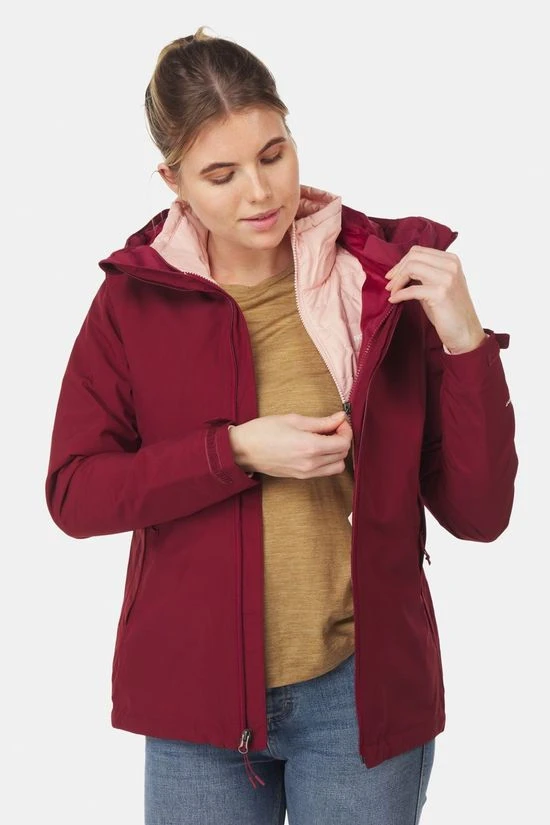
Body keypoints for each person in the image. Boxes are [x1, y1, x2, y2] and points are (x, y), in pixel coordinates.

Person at [44, 27, 518, 825]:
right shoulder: (131, 303)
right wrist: (233, 450)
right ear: (173, 180)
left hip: (360, 695)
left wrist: (466, 342)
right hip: (196, 707)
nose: (260, 192)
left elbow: (479, 512)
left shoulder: (379, 280)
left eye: (273, 154)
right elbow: (75, 492)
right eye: (221, 174)